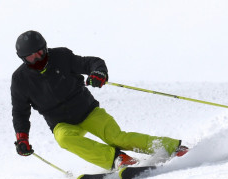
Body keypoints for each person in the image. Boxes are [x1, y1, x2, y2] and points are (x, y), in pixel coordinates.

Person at [11, 30, 188, 171]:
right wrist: (22, 139)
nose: (38, 57)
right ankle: (118, 159)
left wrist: (98, 73)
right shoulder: (20, 79)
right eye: (31, 56)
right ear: (23, 58)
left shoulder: (61, 57)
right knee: (64, 139)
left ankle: (171, 147)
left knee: (116, 137)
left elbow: (92, 62)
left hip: (87, 111)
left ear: (45, 48)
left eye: (40, 52)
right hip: (60, 122)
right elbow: (20, 111)